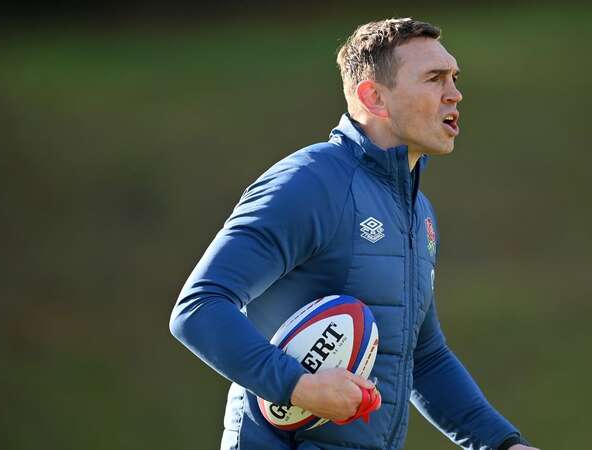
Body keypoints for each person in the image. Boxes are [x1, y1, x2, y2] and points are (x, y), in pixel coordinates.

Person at [170, 18, 537, 450]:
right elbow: (199, 307)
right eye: (435, 79)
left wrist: (502, 444)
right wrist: (298, 386)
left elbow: (424, 357)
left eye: (454, 78)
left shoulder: (418, 212)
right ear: (374, 97)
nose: (454, 93)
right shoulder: (309, 183)